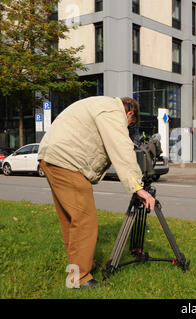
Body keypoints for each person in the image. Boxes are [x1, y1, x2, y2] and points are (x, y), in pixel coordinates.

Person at [38, 96, 155, 289]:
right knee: (85, 221)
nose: (127, 128)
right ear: (130, 113)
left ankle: (78, 270)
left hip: (52, 157)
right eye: (129, 125)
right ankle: (80, 279)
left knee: (71, 221)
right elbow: (121, 147)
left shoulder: (100, 104)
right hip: (68, 162)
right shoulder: (112, 112)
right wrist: (138, 187)